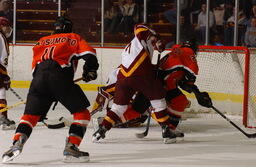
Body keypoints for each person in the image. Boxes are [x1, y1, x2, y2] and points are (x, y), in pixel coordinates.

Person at [2, 16, 99, 163]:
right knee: (82, 114)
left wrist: (44, 93)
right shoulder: (72, 37)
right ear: (68, 27)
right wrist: (90, 70)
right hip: (59, 75)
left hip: (38, 79)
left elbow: (34, 69)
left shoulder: (41, 41)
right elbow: (90, 54)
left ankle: (16, 143)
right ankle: (71, 147)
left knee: (30, 116)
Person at [92, 24, 182, 144]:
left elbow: (154, 60)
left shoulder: (135, 44)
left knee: (118, 108)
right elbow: (140, 30)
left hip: (124, 77)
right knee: (159, 101)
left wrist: (156, 50)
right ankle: (166, 131)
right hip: (141, 75)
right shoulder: (144, 34)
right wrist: (156, 40)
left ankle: (101, 130)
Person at [0, 16, 14, 130]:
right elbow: (3, 58)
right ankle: (2, 118)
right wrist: (4, 75)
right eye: (6, 27)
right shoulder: (1, 37)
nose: (8, 30)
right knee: (1, 92)